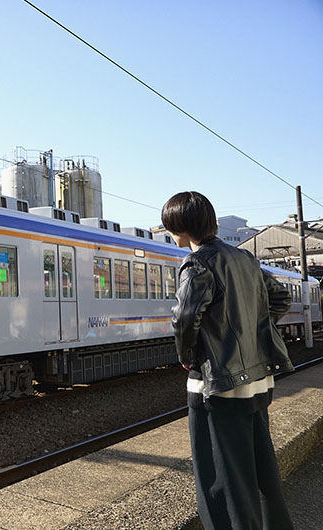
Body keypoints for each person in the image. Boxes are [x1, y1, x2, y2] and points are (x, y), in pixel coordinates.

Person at [161, 191, 294, 530]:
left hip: (219, 386)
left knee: (221, 478)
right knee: (261, 468)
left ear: (183, 227)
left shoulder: (197, 263)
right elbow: (280, 296)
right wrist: (253, 330)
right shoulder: (245, 259)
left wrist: (188, 358)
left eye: (171, 227)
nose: (170, 234)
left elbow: (185, 319)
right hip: (258, 381)